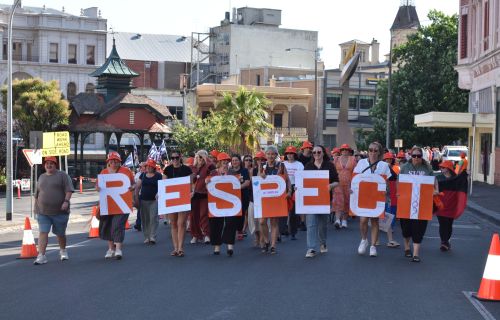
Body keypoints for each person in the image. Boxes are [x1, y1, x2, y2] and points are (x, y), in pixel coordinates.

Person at [399, 146, 438, 263]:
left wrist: (435, 190)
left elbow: (434, 181)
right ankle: (406, 247)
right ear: (411, 156)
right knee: (406, 228)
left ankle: (415, 254)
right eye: (414, 156)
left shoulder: (427, 168)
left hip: (423, 203)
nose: (416, 158)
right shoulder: (405, 167)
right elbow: (399, 182)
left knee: (419, 227)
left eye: (419, 156)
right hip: (406, 202)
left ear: (422, 157)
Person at [353, 141, 392, 257]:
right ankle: (364, 240)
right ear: (368, 151)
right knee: (363, 220)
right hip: (363, 196)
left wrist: (386, 191)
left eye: (375, 150)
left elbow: (387, 183)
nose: (372, 152)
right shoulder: (361, 163)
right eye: (370, 150)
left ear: (379, 152)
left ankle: (373, 246)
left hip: (377, 197)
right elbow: (355, 179)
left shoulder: (384, 165)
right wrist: (352, 190)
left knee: (375, 221)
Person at [33, 156, 74, 265]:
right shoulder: (41, 177)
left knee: (60, 234)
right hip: (43, 212)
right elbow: (37, 194)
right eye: (47, 163)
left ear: (56, 165)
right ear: (44, 165)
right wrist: (35, 208)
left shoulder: (63, 176)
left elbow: (69, 190)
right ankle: (41, 256)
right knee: (43, 232)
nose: (49, 165)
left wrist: (66, 201)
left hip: (60, 212)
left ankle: (63, 251)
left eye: (52, 163)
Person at [96, 151, 135, 260]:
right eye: (111, 161)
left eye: (116, 161)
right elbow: (97, 186)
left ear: (119, 162)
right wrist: (97, 188)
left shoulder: (126, 171)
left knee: (117, 225)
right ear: (108, 162)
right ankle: (110, 248)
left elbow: (133, 184)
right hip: (108, 204)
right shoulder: (103, 172)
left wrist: (133, 187)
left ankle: (118, 249)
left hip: (122, 204)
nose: (114, 162)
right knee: (108, 225)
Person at [304, 145, 339, 258]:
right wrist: (298, 188)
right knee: (311, 223)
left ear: (323, 153)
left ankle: (323, 243)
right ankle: (311, 248)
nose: (316, 154)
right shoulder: (308, 166)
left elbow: (337, 181)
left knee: (322, 224)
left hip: (324, 199)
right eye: (314, 153)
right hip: (310, 200)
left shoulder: (329, 166)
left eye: (319, 152)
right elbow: (303, 181)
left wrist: (331, 185)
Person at [206, 152, 240, 256]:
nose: (225, 164)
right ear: (219, 163)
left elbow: (236, 186)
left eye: (227, 162)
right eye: (223, 162)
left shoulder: (232, 173)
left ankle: (230, 246)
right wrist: (206, 181)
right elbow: (207, 187)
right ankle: (217, 247)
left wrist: (239, 181)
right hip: (216, 202)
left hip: (230, 202)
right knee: (216, 223)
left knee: (231, 222)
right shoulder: (212, 173)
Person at [259, 145, 290, 254]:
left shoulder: (281, 165)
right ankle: (266, 241)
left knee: (274, 222)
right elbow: (257, 180)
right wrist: (260, 176)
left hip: (277, 197)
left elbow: (287, 180)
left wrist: (289, 191)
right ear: (265, 155)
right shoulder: (262, 165)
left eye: (273, 154)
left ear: (276, 155)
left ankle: (273, 246)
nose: (270, 156)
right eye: (268, 154)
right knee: (262, 221)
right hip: (264, 197)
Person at [163, 151, 193, 257]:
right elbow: (164, 184)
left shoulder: (187, 169)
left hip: (183, 198)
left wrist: (191, 192)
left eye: (176, 157)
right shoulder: (167, 169)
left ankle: (181, 248)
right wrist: (159, 194)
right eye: (173, 157)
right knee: (174, 223)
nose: (175, 159)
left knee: (181, 223)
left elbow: (190, 184)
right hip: (172, 199)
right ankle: (175, 248)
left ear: (180, 158)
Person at [435, 160, 468, 251]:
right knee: (442, 224)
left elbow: (461, 188)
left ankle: (446, 241)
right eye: (441, 167)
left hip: (451, 206)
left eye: (443, 167)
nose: (441, 169)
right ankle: (444, 242)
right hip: (440, 205)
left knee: (449, 224)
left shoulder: (456, 179)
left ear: (448, 168)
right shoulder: (438, 178)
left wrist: (464, 175)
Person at [134, 158, 162, 245]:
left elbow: (162, 186)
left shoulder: (158, 175)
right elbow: (138, 186)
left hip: (154, 200)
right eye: (147, 166)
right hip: (143, 200)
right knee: (145, 219)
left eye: (150, 166)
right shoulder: (142, 175)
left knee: (153, 218)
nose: (149, 167)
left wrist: (158, 193)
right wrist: (136, 197)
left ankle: (152, 236)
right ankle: (146, 237)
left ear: (154, 167)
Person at [191, 150, 215, 244]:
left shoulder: (209, 166)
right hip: (193, 195)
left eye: (201, 156)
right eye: (198, 156)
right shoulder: (192, 168)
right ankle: (196, 235)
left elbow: (214, 175)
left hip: (205, 194)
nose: (199, 158)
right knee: (193, 216)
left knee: (204, 215)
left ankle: (206, 234)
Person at [332, 144, 356, 229]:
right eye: (343, 150)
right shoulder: (336, 159)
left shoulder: (353, 159)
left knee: (346, 201)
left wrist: (354, 185)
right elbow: (332, 170)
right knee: (338, 200)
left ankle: (344, 220)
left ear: (349, 151)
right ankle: (338, 220)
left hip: (349, 184)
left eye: (346, 150)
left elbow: (355, 172)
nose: (344, 151)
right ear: (340, 151)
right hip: (338, 183)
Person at [283, 146, 304, 240]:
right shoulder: (282, 164)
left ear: (295, 155)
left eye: (291, 153)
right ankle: (282, 230)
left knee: (293, 211)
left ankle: (293, 232)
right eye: (288, 153)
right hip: (284, 188)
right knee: (283, 210)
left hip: (295, 188)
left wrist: (298, 186)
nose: (290, 155)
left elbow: (302, 177)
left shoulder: (299, 165)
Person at [229, 154, 251, 241]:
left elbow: (247, 182)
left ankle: (240, 230)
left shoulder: (244, 170)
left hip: (243, 195)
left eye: (236, 160)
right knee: (233, 214)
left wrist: (238, 188)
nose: (234, 162)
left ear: (239, 161)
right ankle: (233, 230)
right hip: (232, 196)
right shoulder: (229, 171)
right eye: (233, 160)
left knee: (241, 214)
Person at [383, 152, 400, 248]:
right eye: (386, 159)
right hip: (386, 189)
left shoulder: (396, 168)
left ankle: (390, 227)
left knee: (392, 209)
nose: (388, 161)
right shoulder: (382, 167)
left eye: (389, 159)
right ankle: (385, 227)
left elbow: (397, 178)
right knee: (385, 209)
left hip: (393, 188)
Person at [133, 162, 146, 231]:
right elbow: (134, 184)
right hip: (139, 194)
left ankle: (142, 223)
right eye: (140, 167)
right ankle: (138, 224)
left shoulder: (149, 174)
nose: (140, 168)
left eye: (142, 167)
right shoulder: (137, 174)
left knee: (144, 211)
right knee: (139, 210)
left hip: (147, 195)